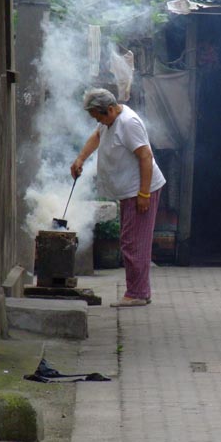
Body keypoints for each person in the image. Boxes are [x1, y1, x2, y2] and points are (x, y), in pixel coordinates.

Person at [70, 88, 165, 307]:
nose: (98, 122)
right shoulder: (108, 122)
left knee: (135, 243)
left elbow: (145, 156)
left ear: (110, 109)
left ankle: (137, 294)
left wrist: (144, 194)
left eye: (99, 117)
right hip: (130, 191)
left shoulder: (128, 123)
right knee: (131, 240)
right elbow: (96, 136)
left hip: (139, 189)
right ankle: (139, 291)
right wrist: (80, 159)